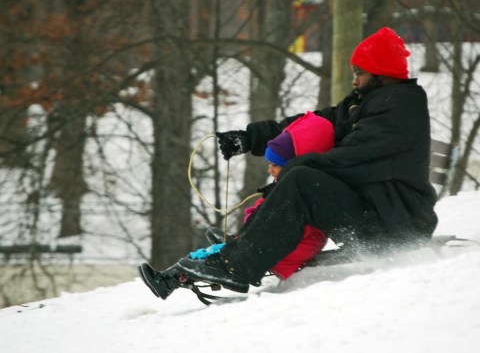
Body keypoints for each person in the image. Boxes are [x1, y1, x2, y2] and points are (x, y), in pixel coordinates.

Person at [139, 27, 438, 298]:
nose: (354, 78)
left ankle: (236, 263)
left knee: (301, 180)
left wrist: (292, 168)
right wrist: (250, 138)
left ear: (380, 72)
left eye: (359, 71)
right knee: (300, 176)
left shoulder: (400, 108)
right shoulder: (366, 101)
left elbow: (352, 160)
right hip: (376, 211)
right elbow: (314, 123)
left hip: (395, 222)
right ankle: (244, 246)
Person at [209, 111, 335, 280]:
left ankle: (243, 251)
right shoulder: (286, 185)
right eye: (270, 164)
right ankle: (242, 241)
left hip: (297, 246)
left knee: (271, 220)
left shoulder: (299, 189)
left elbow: (283, 223)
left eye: (276, 165)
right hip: (284, 242)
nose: (270, 169)